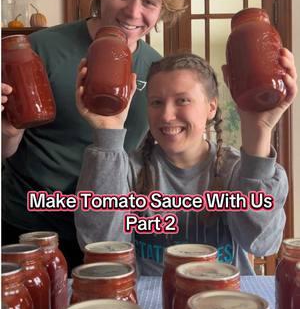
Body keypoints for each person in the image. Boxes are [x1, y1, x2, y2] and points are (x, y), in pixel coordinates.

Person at [1, 0, 185, 272]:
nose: (133, 11)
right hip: (28, 230)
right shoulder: (40, 50)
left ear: (161, 11)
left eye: (149, 1)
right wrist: (8, 130)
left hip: (109, 232)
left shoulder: (158, 69)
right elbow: (5, 146)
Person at [74, 51, 297, 275]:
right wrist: (107, 133)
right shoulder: (128, 169)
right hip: (150, 303)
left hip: (224, 303)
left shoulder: (235, 170)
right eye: (156, 102)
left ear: (211, 107)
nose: (167, 115)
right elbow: (100, 246)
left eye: (182, 100)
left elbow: (262, 243)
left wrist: (259, 132)